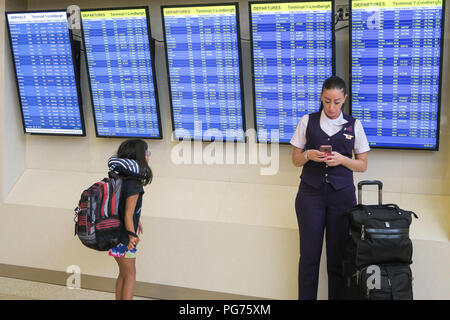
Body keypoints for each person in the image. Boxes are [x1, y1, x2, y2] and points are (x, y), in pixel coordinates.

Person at [290, 76, 370, 300]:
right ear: (321, 98)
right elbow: (295, 159)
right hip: (310, 196)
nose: (331, 107)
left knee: (337, 260)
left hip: (341, 198)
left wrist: (342, 160)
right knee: (309, 259)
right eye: (327, 101)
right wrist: (308, 154)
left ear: (344, 98)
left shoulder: (354, 125)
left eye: (336, 101)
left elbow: (362, 165)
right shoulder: (308, 120)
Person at [108, 139, 153, 300]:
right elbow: (128, 213)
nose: (148, 157)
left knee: (123, 274)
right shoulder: (134, 183)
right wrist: (131, 235)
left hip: (115, 233)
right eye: (147, 153)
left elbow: (125, 209)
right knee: (131, 275)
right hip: (125, 237)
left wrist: (136, 219)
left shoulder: (120, 177)